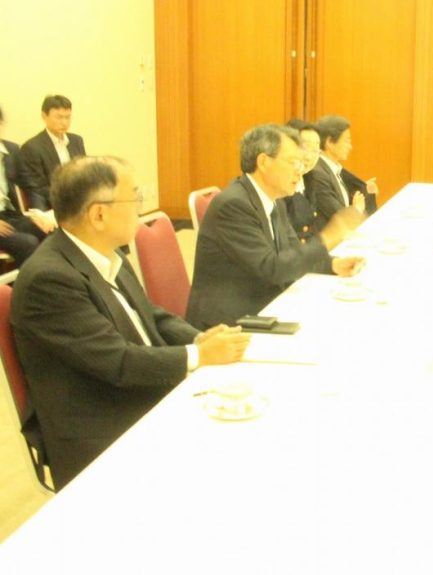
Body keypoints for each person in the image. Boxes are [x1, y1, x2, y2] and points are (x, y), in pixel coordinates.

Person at [11, 156, 251, 490]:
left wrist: (199, 339)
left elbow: (149, 314)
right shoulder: (49, 279)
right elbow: (117, 361)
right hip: (101, 424)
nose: (140, 207)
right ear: (99, 214)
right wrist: (199, 356)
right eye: (134, 198)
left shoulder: (104, 251)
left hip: (136, 389)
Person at [187, 124, 366, 330]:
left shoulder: (274, 199)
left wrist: (332, 264)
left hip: (261, 303)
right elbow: (272, 268)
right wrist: (329, 237)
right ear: (263, 162)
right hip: (229, 323)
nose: (300, 170)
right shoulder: (234, 205)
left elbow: (291, 252)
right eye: (293, 162)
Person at [306, 115, 378, 234]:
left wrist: (366, 192)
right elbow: (337, 215)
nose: (350, 147)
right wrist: (356, 210)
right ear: (329, 142)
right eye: (346, 141)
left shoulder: (334, 170)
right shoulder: (318, 174)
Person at [0, 106, 54, 265]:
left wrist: (40, 214)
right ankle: (32, 280)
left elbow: (30, 184)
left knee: (49, 230)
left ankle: (56, 277)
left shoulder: (11, 150)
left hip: (9, 215)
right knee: (28, 243)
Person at [20, 95, 86, 210]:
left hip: (79, 201)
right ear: (44, 116)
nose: (64, 122)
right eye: (59, 117)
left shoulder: (76, 141)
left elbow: (84, 174)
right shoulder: (32, 147)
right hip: (52, 204)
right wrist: (67, 200)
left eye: (68, 117)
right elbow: (38, 188)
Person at [283, 118, 321, 242]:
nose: (309, 157)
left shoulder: (310, 179)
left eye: (315, 150)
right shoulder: (279, 184)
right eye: (304, 148)